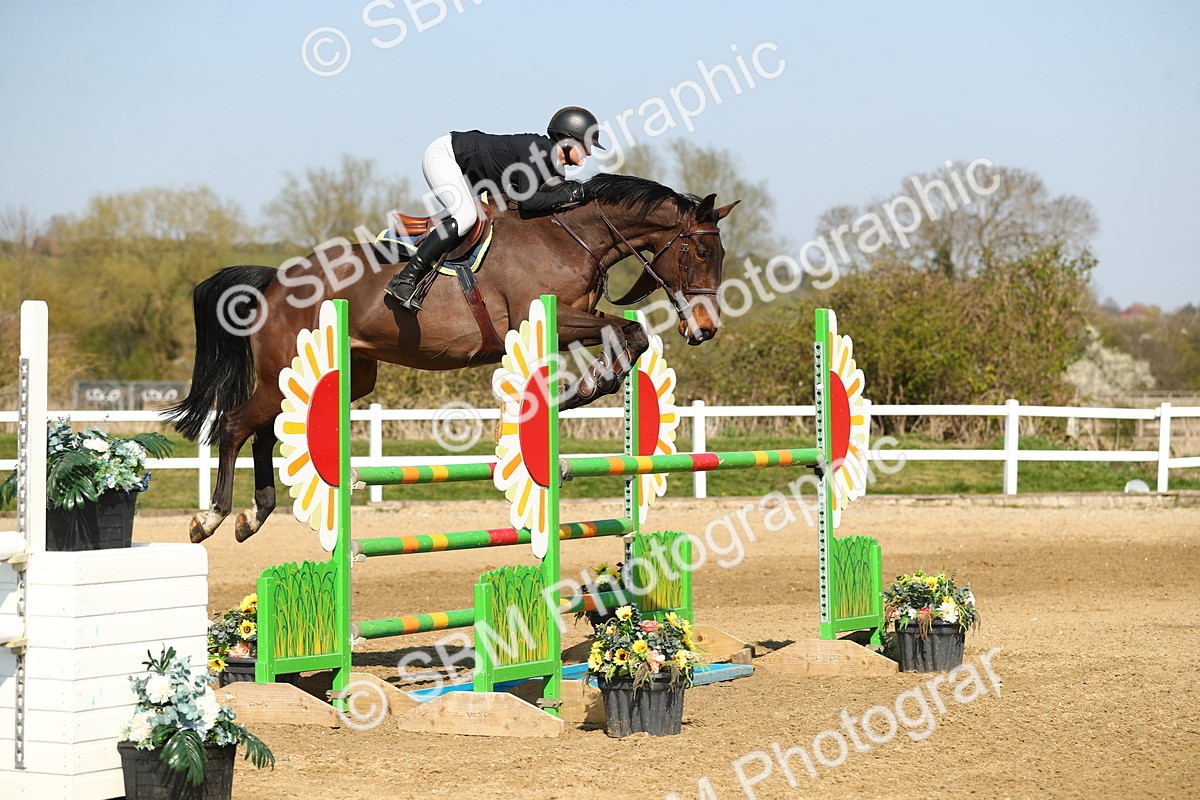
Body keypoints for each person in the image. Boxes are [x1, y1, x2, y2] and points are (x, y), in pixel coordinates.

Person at [385, 106, 605, 309]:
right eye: (586, 146)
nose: (589, 153)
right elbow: (528, 202)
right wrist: (568, 194)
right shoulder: (537, 150)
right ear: (568, 140)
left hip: (467, 175)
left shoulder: (554, 169)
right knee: (466, 215)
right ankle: (405, 279)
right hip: (445, 155)